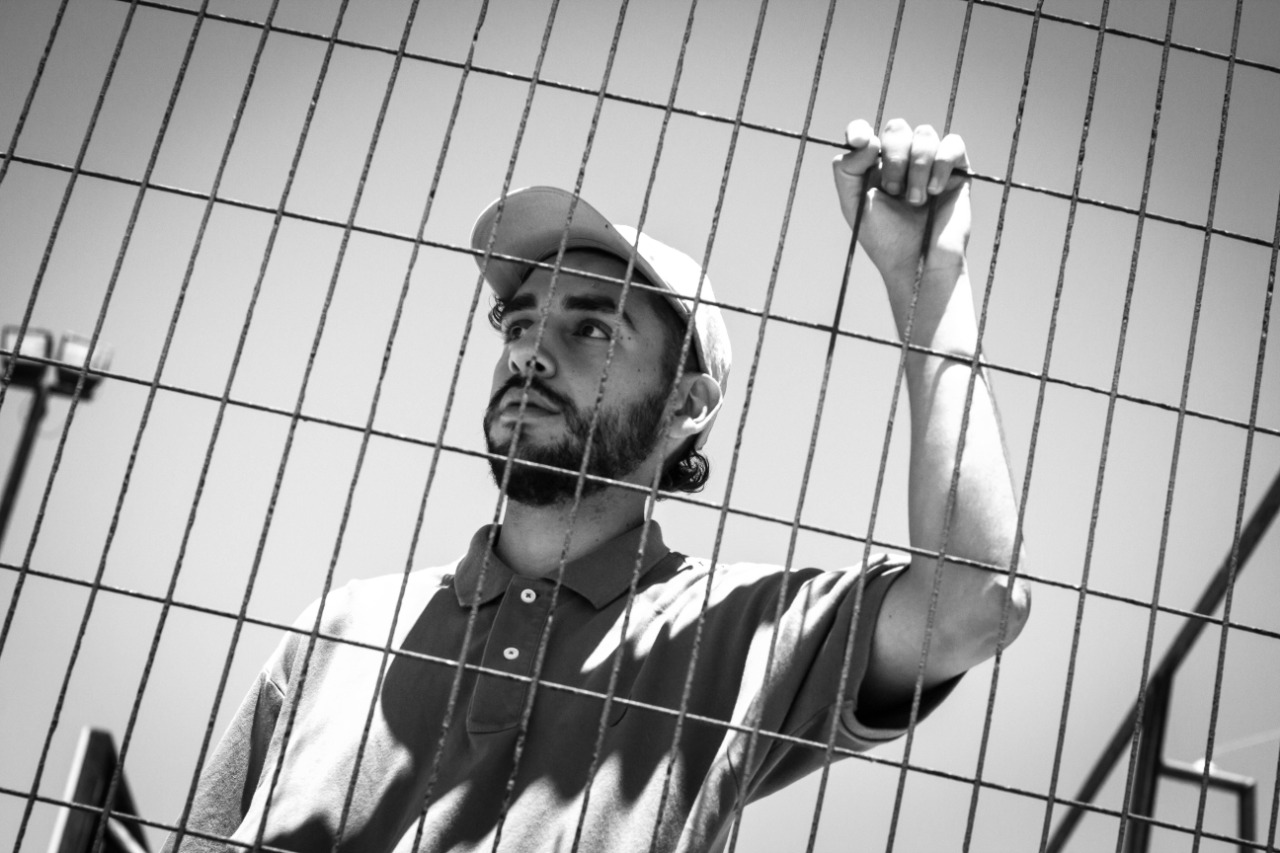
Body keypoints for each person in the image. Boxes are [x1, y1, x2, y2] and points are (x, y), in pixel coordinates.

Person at [163, 118, 1031, 853]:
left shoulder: (740, 634)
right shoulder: (342, 629)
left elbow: (971, 603)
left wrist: (928, 282)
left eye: (592, 329)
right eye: (520, 324)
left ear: (688, 404)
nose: (530, 354)